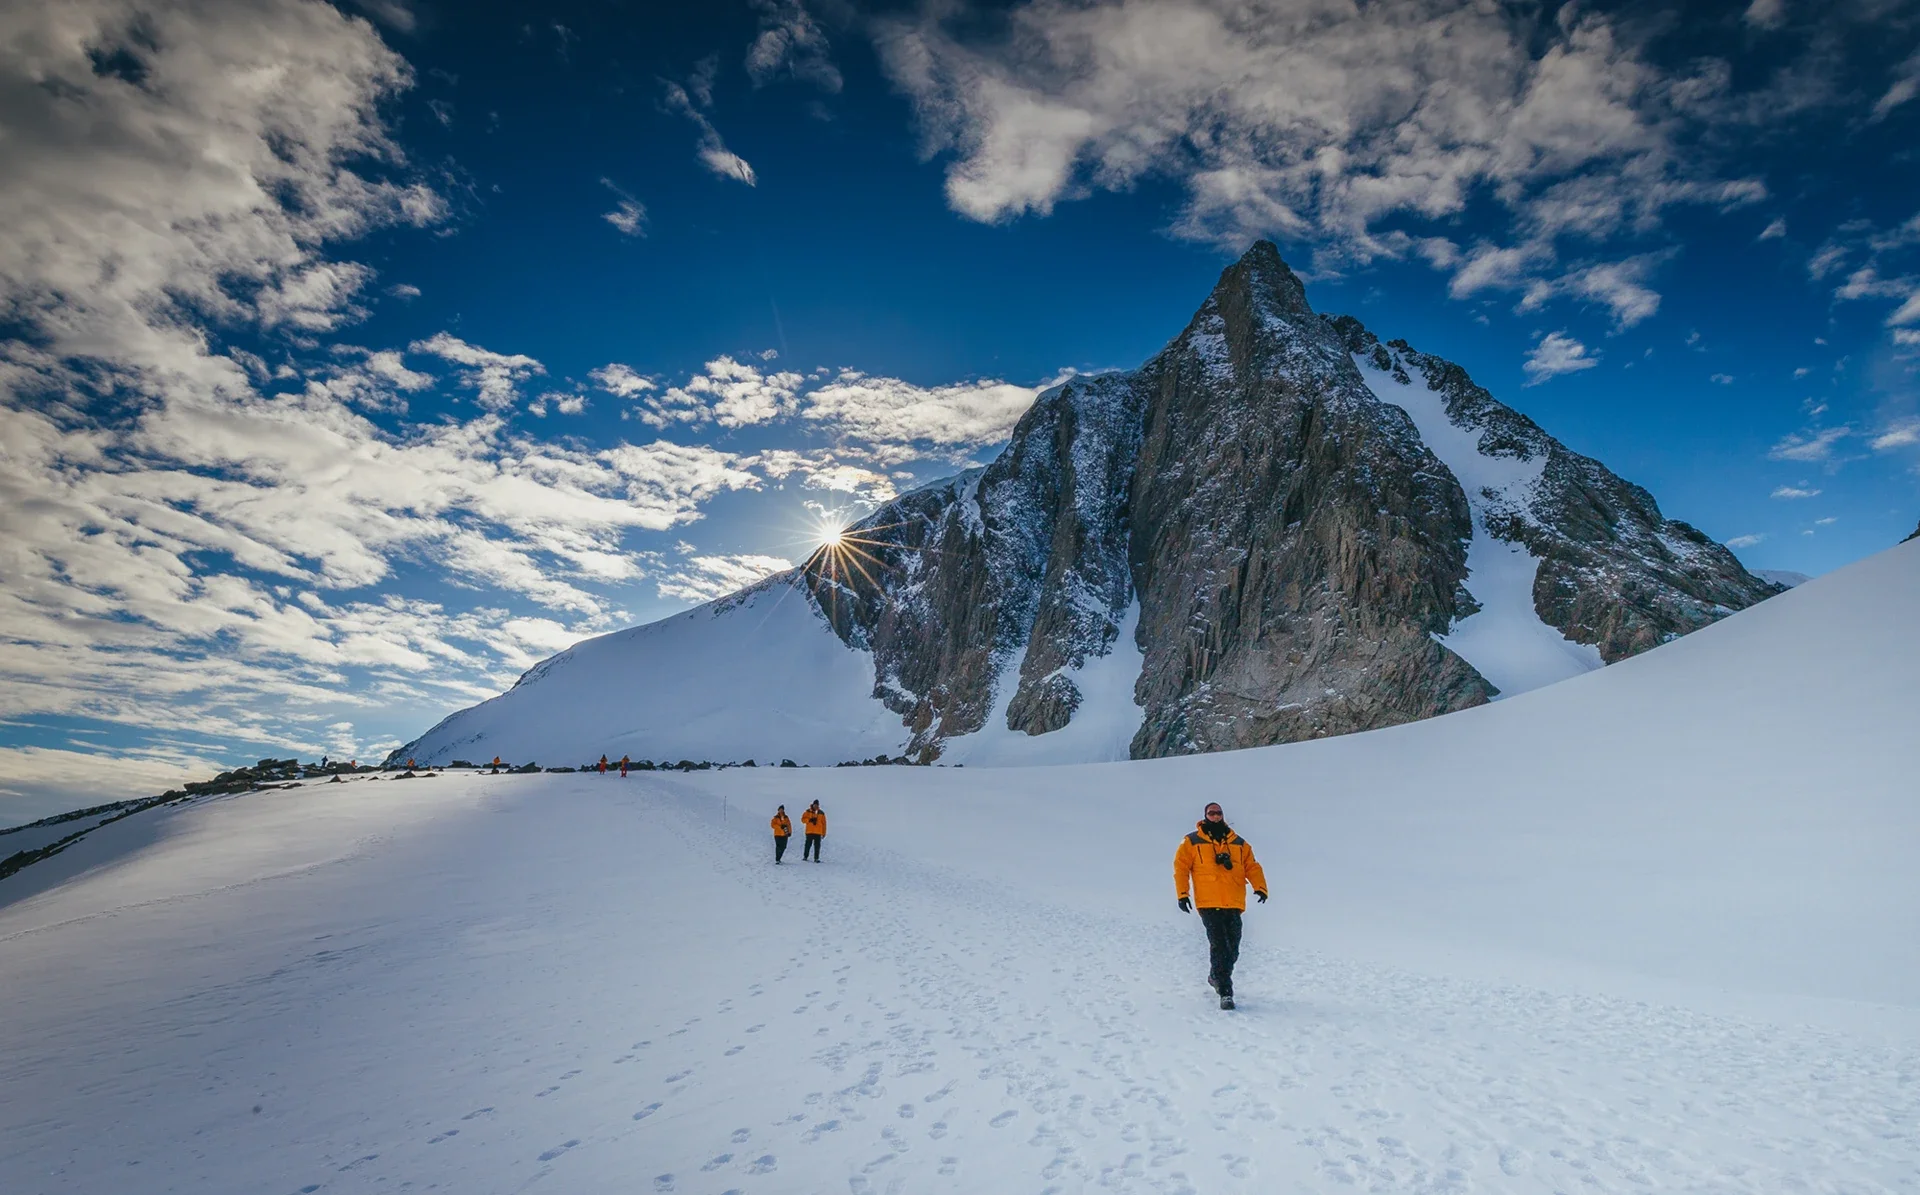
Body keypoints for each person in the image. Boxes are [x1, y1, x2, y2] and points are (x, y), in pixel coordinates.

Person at [1174, 801, 1268, 1010]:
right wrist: (1183, 894)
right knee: (1220, 945)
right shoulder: (1191, 841)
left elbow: (1252, 866)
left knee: (1233, 947)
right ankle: (1226, 992)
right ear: (1205, 815)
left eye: (1218, 813)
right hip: (1208, 903)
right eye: (1211, 813)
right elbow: (1181, 868)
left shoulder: (1239, 843)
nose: (1215, 816)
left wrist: (1260, 887)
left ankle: (1216, 976)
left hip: (1233, 902)